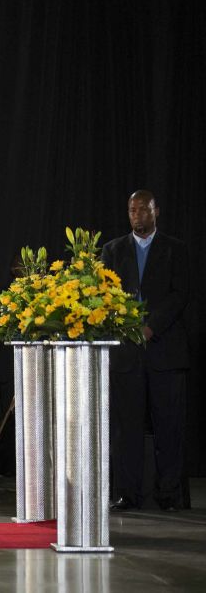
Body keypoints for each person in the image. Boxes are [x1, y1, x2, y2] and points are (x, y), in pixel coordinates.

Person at [102, 190, 189, 512]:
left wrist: (151, 326)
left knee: (169, 426)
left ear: (156, 212)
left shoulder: (175, 249)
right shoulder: (112, 250)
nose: (136, 214)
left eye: (142, 209)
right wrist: (126, 325)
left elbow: (181, 294)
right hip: (126, 354)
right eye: (131, 209)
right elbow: (104, 295)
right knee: (126, 429)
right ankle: (127, 493)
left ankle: (169, 494)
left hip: (165, 351)